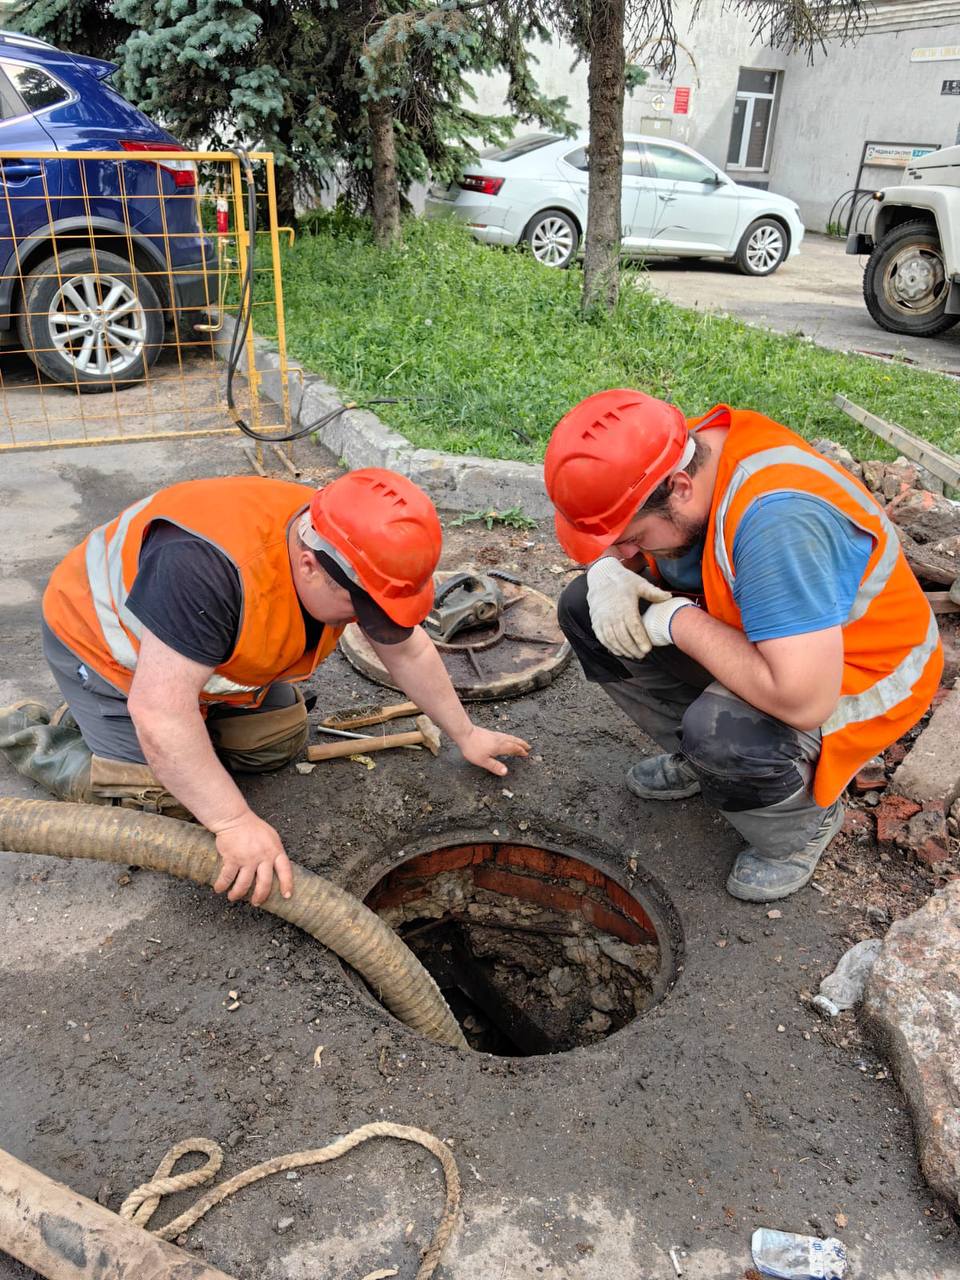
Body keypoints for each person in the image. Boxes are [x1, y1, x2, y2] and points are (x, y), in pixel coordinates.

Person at [0, 469, 529, 906]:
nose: (368, 624)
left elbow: (407, 647)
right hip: (107, 653)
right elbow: (162, 713)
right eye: (360, 609)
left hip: (197, 661)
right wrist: (232, 822)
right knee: (166, 801)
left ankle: (143, 728)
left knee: (275, 745)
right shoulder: (204, 571)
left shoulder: (355, 543)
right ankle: (41, 739)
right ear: (308, 565)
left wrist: (465, 733)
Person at [545, 389, 942, 902]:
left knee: (724, 737)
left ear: (679, 488)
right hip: (769, 637)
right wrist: (605, 570)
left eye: (632, 537)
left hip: (859, 673)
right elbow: (642, 550)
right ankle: (700, 758)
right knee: (584, 608)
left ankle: (799, 829)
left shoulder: (778, 524)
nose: (625, 552)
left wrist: (678, 621)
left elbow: (803, 700)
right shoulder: (673, 456)